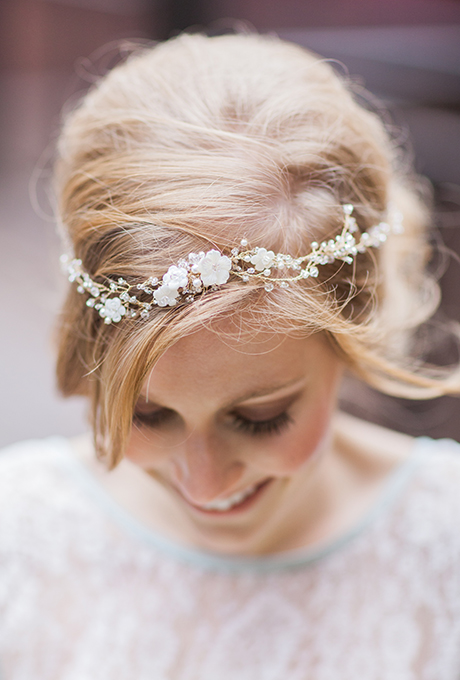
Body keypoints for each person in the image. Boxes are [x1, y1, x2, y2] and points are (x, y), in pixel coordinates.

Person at [1, 31, 460, 680]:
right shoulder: (18, 540)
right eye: (148, 414)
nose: (205, 481)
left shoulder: (445, 550)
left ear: (355, 321)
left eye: (261, 416)